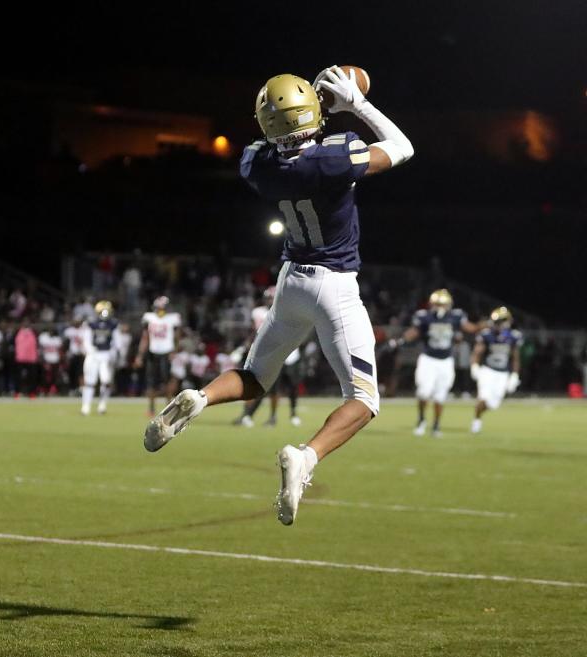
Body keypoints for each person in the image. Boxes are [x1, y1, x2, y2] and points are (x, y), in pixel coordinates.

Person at [143, 65, 414, 526]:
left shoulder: (256, 163)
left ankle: (200, 398)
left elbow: (284, 138)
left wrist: (303, 111)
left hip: (291, 281)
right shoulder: (334, 156)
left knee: (254, 375)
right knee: (364, 398)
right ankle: (306, 456)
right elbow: (402, 147)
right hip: (334, 283)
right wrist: (355, 103)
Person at [392, 289, 480, 437]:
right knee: (423, 392)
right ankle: (421, 420)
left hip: (446, 361)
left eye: (443, 304)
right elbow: (414, 332)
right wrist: (400, 340)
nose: (440, 307)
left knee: (440, 396)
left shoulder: (455, 317)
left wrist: (487, 324)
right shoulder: (425, 317)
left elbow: (471, 328)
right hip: (428, 359)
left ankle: (436, 426)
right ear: (431, 304)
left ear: (449, 305)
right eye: (438, 304)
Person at [233, 287, 304, 428]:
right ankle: (248, 415)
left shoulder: (287, 312)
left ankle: (287, 414)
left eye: (273, 297)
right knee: (262, 385)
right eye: (269, 297)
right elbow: (254, 332)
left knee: (288, 387)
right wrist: (242, 348)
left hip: (288, 354)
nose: (271, 300)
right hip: (269, 353)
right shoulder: (259, 312)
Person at [470, 307, 522, 434]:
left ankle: (479, 413)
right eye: (498, 322)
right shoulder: (487, 334)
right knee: (484, 397)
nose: (500, 325)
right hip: (488, 371)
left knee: (494, 404)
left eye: (502, 321)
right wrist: (474, 366)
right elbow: (477, 352)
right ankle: (476, 420)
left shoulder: (513, 336)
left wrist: (514, 375)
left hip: (502, 373)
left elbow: (515, 358)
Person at [133, 296, 181, 416]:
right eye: (158, 308)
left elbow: (177, 337)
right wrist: (140, 355)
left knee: (167, 381)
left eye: (162, 308)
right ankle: (151, 409)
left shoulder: (172, 318)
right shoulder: (149, 318)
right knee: (151, 382)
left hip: (167, 351)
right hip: (153, 352)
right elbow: (145, 337)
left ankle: (169, 407)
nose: (159, 311)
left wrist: (174, 351)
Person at [80, 301, 118, 415]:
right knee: (89, 382)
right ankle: (86, 406)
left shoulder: (113, 324)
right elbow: (86, 340)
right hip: (93, 354)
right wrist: (90, 351)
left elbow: (116, 341)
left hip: (106, 354)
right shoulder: (91, 323)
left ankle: (102, 405)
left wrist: (113, 353)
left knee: (105, 381)